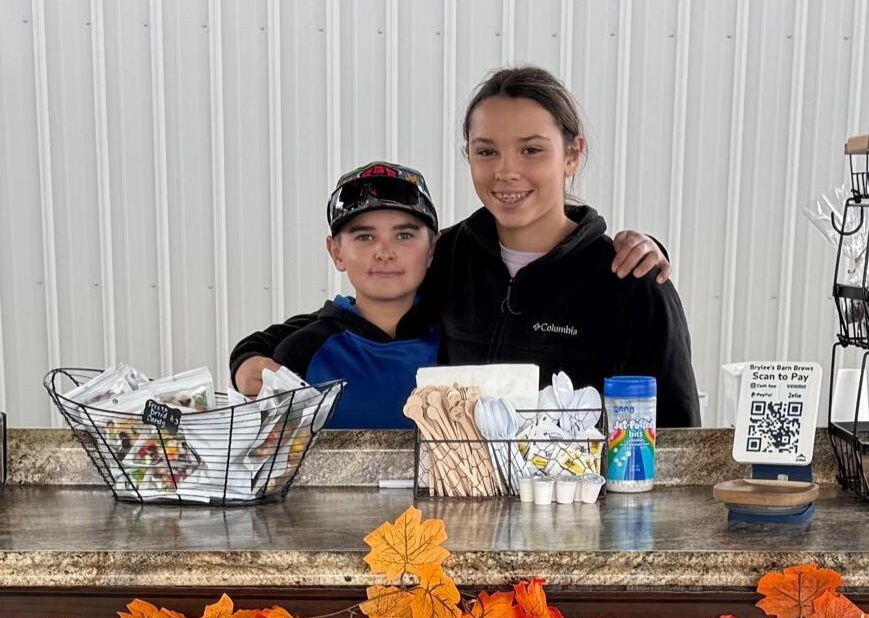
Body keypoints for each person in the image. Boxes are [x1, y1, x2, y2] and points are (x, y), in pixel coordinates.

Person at [423, 65, 700, 427]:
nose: (506, 172)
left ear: (572, 155)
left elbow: (676, 438)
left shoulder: (631, 282)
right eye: (487, 152)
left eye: (531, 150)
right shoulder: (442, 261)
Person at [231, 162, 441, 429]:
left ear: (432, 249)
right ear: (336, 252)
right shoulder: (302, 353)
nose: (385, 252)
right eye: (365, 237)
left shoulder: (460, 341)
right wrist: (244, 361)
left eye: (404, 235)